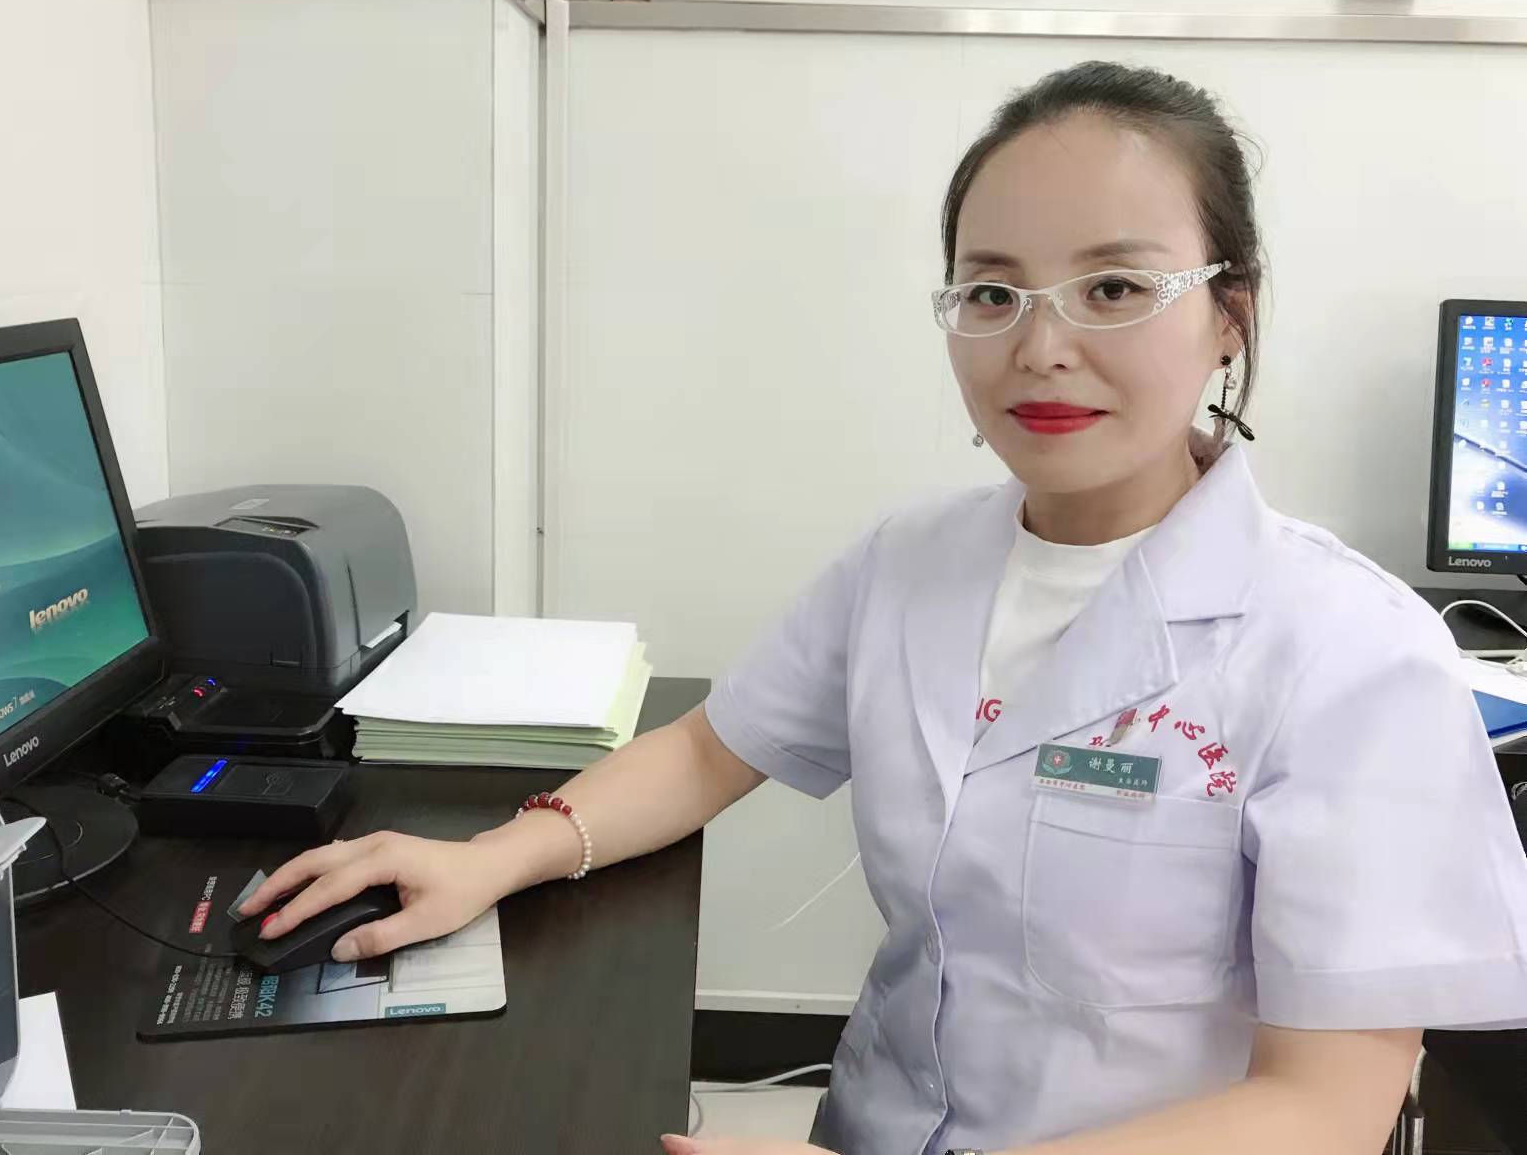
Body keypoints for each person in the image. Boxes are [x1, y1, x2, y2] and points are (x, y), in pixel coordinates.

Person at [238, 61, 1527, 1155]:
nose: (1041, 346)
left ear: (1230, 315)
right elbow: (709, 750)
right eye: (993, 292)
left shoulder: (1354, 654)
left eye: (1116, 288)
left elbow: (1324, 1110)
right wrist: (492, 858)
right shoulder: (913, 562)